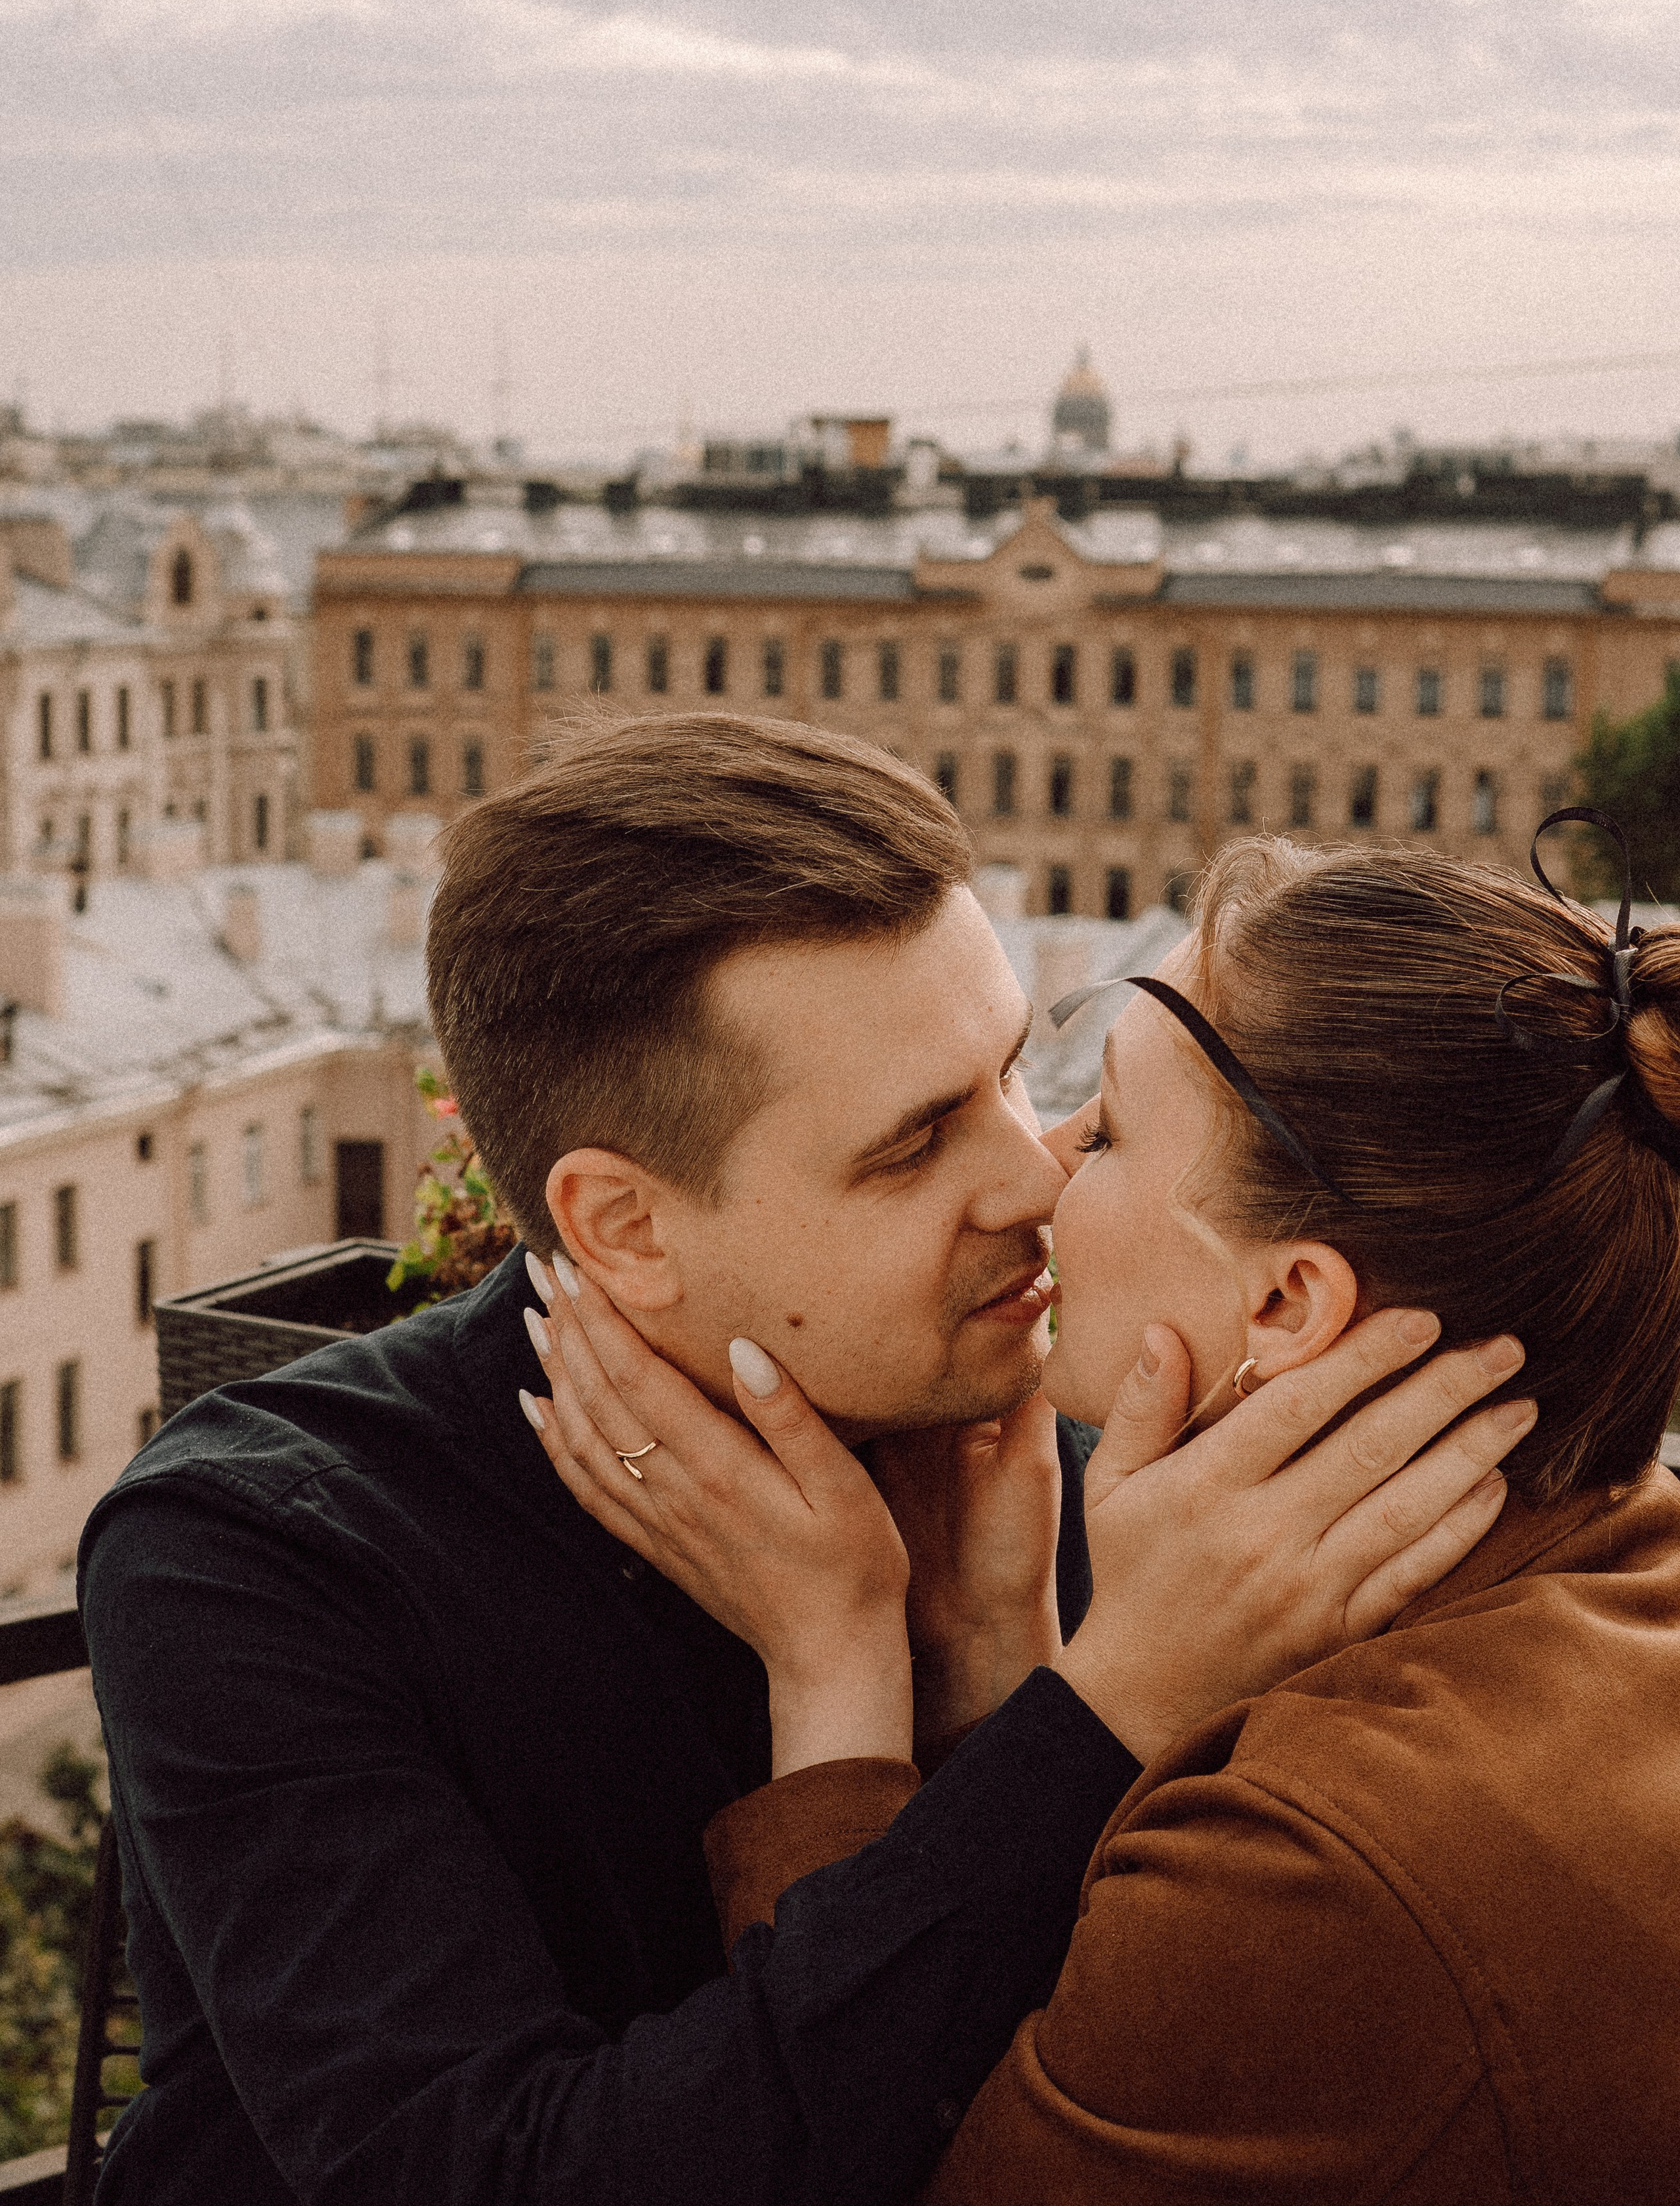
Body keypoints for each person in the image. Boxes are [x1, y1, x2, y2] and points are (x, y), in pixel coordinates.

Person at [79, 717, 1523, 2205]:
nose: (1031, 1175)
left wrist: (986, 1680)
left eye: (1011, 1073)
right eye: (912, 1147)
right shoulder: (261, 1552)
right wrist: (1097, 1713)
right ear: (623, 1229)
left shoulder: (1071, 1460)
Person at [532, 809, 1680, 2205]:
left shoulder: (1315, 1872)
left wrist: (835, 1678)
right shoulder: (1600, 1584)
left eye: (1116, 1130)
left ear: (1284, 1302)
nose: (1043, 1167)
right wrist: (1011, 1679)